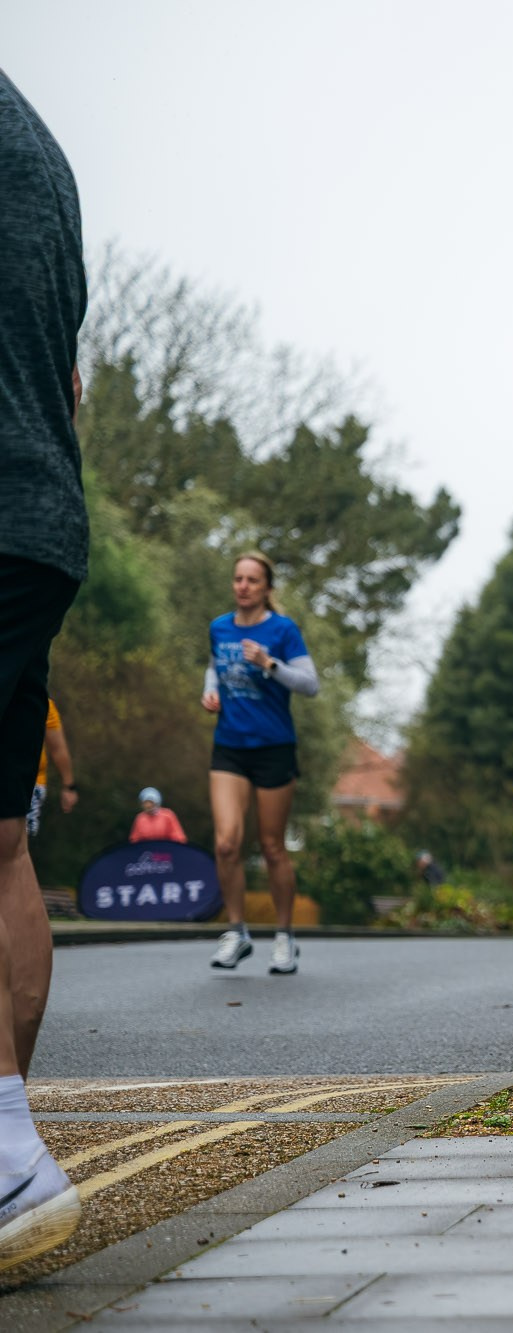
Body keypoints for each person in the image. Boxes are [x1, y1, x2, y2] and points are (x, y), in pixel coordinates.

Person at [0, 65, 89, 1270]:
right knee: (0, 846)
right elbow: (66, 377)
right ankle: (10, 1141)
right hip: (37, 516)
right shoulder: (40, 144)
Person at [203, 552, 319, 975]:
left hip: (274, 747)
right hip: (230, 746)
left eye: (252, 580)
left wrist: (270, 664)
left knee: (272, 847)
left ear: (267, 588)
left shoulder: (283, 630)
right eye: (238, 579)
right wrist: (210, 691)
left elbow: (310, 684)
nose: (243, 586)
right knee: (226, 843)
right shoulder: (219, 627)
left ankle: (285, 937)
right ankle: (237, 932)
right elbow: (214, 667)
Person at [28, 698, 77, 838]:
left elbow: (58, 749)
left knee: (15, 845)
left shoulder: (41, 701)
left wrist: (69, 786)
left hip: (30, 785)